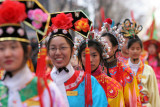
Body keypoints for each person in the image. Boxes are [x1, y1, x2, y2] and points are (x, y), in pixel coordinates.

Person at [0, 0, 66, 107]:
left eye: (13, 47)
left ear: (27, 51)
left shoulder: (48, 90)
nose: (7, 54)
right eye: (1, 48)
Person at [46, 11, 108, 107]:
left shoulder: (88, 82)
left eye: (63, 47)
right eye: (53, 48)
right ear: (48, 52)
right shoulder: (40, 83)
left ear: (72, 50)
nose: (57, 53)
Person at [100, 18, 141, 107]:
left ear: (115, 47)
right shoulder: (95, 68)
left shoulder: (126, 72)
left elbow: (132, 103)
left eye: (105, 44)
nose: (102, 47)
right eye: (100, 44)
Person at [77, 38, 125, 107]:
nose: (90, 60)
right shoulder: (73, 84)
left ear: (101, 57)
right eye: (85, 56)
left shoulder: (114, 87)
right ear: (80, 58)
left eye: (94, 55)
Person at [126, 35, 160, 106]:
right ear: (127, 50)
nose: (135, 51)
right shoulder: (123, 69)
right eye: (132, 49)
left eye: (138, 49)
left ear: (141, 50)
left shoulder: (148, 70)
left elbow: (153, 93)